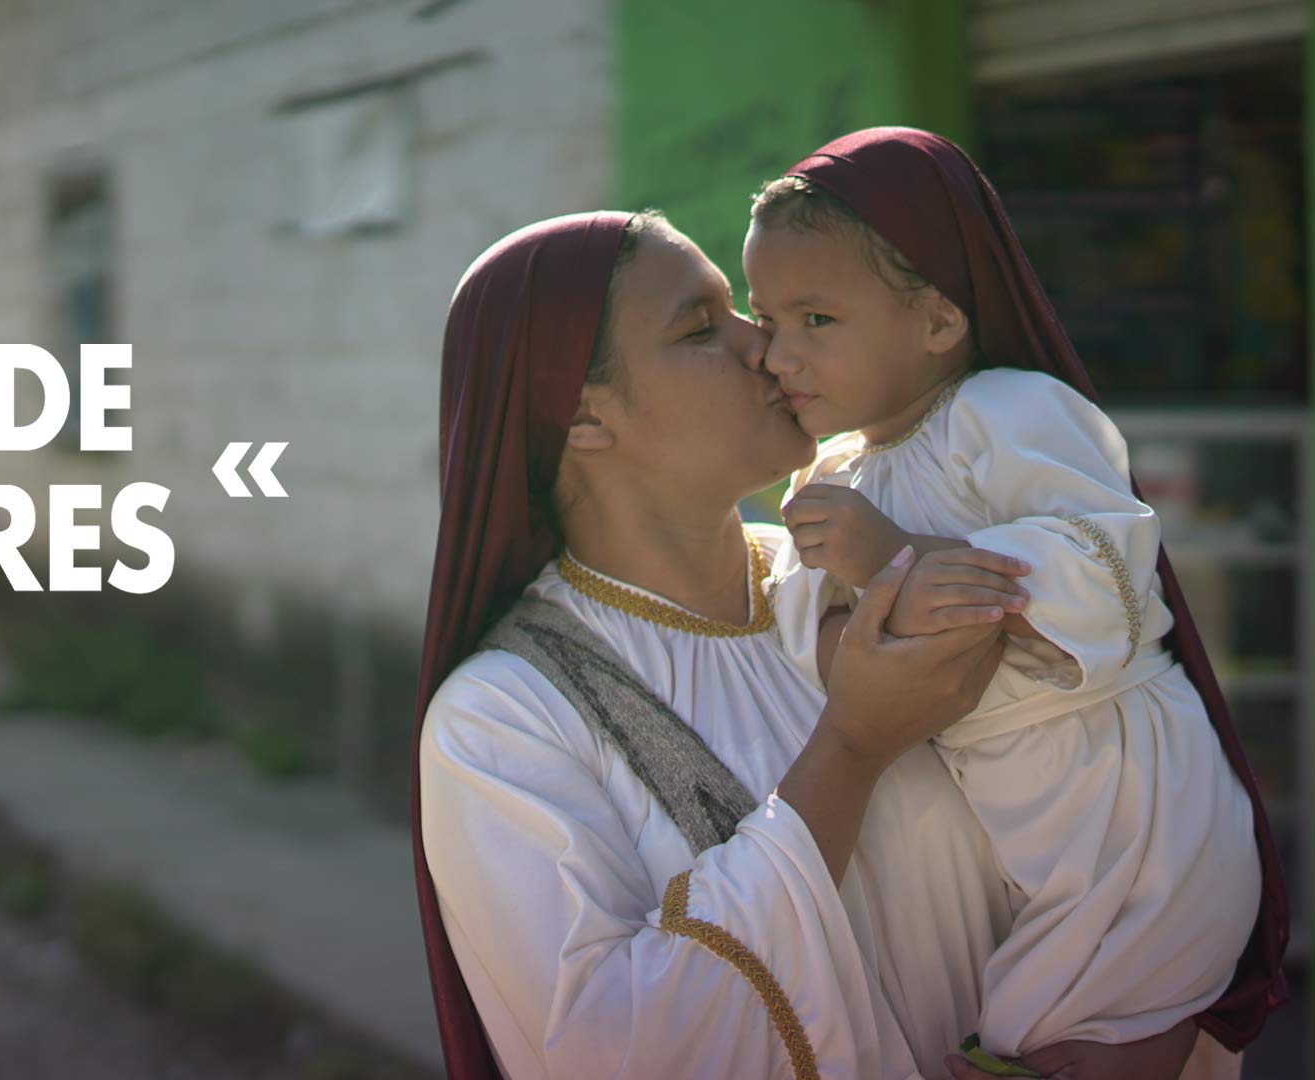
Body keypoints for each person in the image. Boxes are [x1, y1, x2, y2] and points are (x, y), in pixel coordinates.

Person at [411, 211, 1222, 1079]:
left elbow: (1123, 776)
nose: (763, 347)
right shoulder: (503, 719)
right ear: (582, 419)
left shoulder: (856, 575)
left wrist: (1141, 1015)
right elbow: (612, 1045)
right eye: (700, 330)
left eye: (742, 312)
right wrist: (851, 748)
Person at [746, 127, 1288, 1073]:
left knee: (1097, 1030)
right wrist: (856, 613)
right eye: (767, 320)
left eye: (816, 321)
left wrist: (898, 561)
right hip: (1019, 817)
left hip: (1127, 798)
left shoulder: (1005, 414)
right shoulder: (829, 479)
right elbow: (812, 634)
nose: (777, 355)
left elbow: (1108, 571)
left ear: (939, 322)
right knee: (1025, 1028)